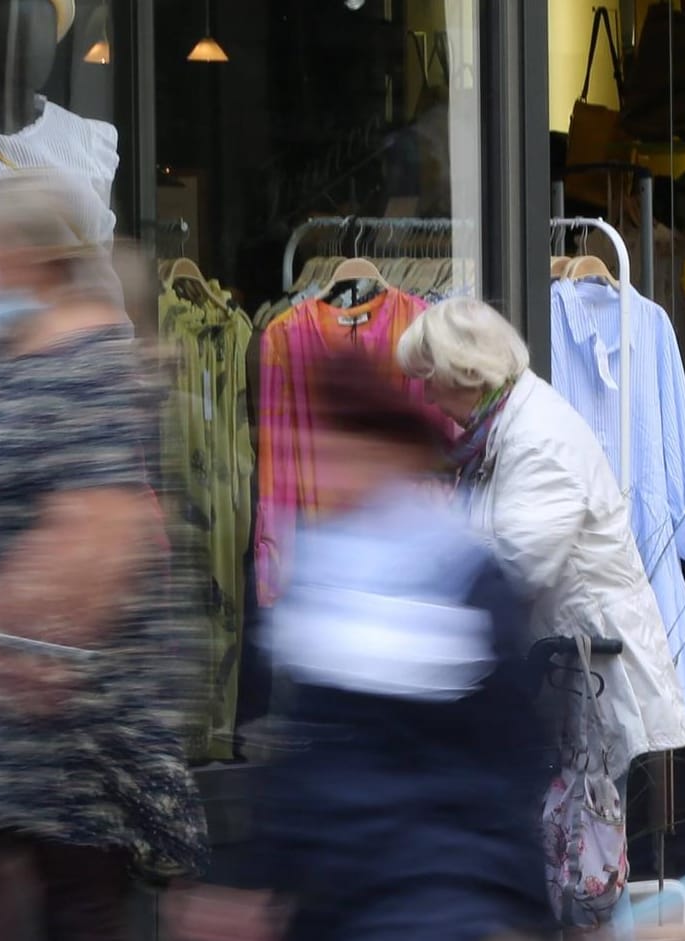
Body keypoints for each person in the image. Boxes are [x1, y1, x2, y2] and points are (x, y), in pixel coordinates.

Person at [0, 173, 208, 939]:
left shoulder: (89, 364)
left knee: (28, 902)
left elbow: (99, 536)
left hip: (61, 711)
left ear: (26, 256)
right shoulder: (12, 357)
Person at [167, 348, 552, 941]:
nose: (334, 472)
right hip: (343, 896)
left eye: (352, 453)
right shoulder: (322, 572)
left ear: (399, 456)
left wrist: (511, 904)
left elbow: (506, 763)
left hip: (438, 895)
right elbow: (305, 754)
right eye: (327, 454)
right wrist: (251, 883)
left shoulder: (468, 577)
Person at [396, 297, 685, 797]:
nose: (425, 395)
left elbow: (517, 564)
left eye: (430, 377)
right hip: (560, 682)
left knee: (576, 856)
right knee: (563, 855)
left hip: (584, 682)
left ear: (467, 371)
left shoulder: (536, 438)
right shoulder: (502, 428)